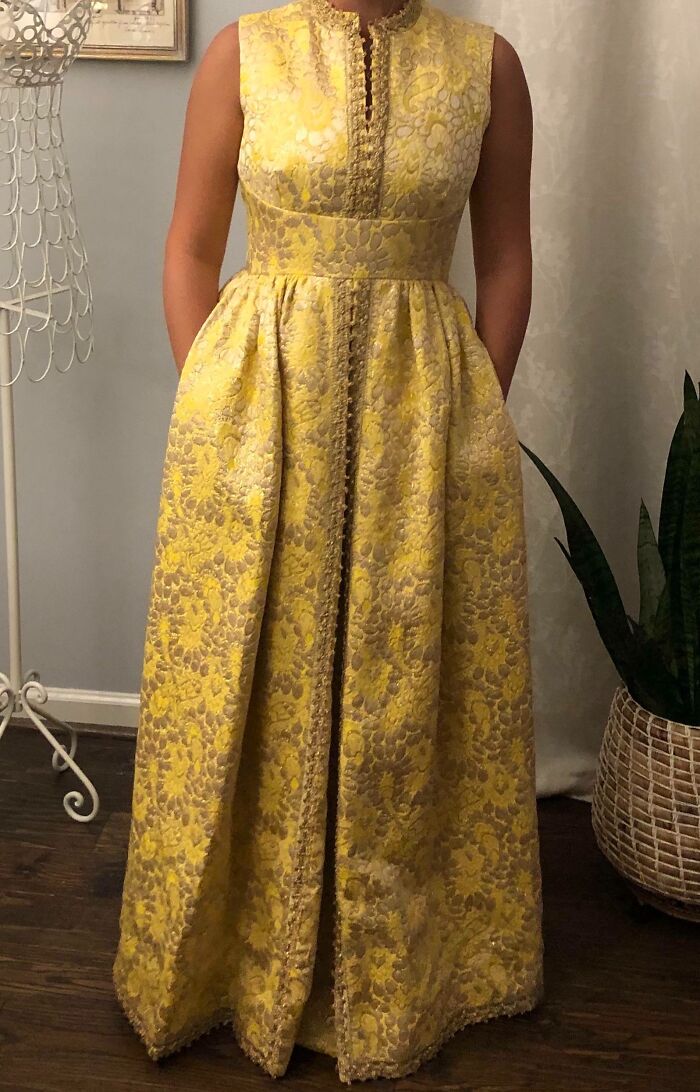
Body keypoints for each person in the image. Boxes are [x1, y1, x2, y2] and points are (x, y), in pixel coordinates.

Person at [112, 0, 544, 1083]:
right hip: (261, 421)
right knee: (247, 687)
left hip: (424, 427)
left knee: (403, 697)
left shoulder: (486, 66)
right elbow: (189, 248)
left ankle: (403, 973)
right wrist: (215, 408)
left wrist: (474, 417)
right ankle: (228, 964)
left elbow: (504, 261)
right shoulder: (241, 55)